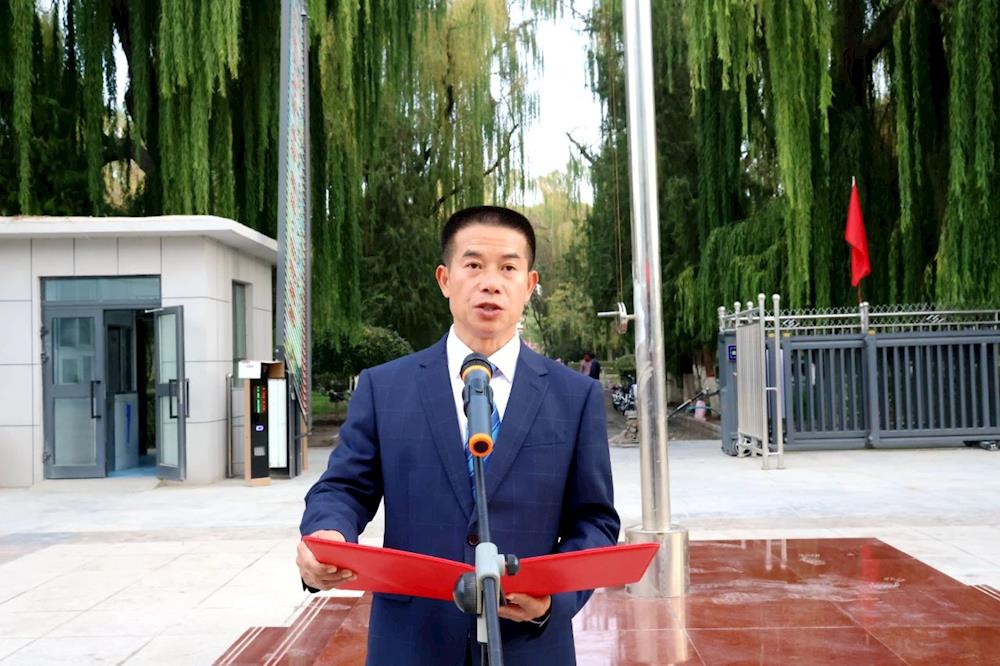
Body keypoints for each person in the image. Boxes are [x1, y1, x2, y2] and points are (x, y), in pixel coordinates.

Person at [296, 205, 620, 665]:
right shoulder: (385, 388)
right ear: (445, 279)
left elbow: (595, 521)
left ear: (530, 285)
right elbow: (344, 488)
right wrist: (327, 532)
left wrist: (554, 601)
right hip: (412, 642)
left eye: (508, 268)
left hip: (530, 645)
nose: (491, 283)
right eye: (473, 266)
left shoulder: (574, 396)